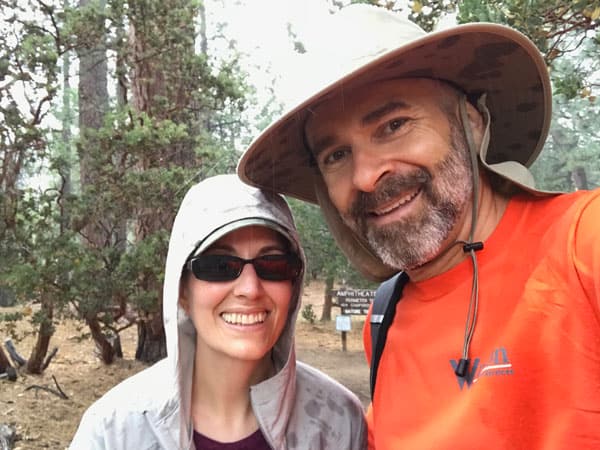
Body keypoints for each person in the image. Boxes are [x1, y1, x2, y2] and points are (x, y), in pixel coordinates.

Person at [237, 4, 600, 450]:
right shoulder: (386, 318)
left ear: (469, 121)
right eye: (336, 156)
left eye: (393, 125)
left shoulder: (582, 241)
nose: (366, 176)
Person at [70, 174, 367, 449]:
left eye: (273, 264)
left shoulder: (338, 422)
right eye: (219, 266)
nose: (250, 289)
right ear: (182, 291)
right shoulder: (115, 430)